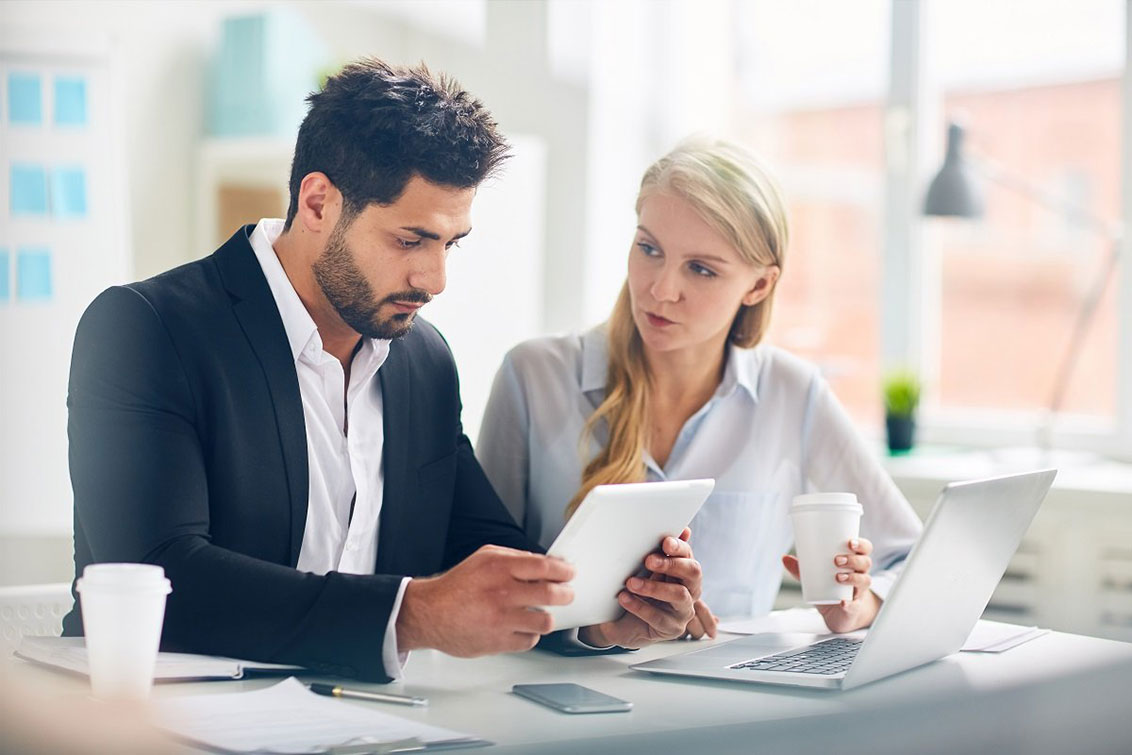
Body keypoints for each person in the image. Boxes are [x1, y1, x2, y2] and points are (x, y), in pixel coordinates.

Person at [62, 59, 703, 682]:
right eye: (410, 240)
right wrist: (410, 616)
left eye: (450, 243)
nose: (435, 280)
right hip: (161, 721)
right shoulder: (147, 329)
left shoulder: (423, 360)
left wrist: (603, 616)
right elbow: (157, 577)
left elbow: (483, 551)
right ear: (317, 203)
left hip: (367, 719)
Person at [478, 137, 923, 639]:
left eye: (702, 269)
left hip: (733, 703)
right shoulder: (533, 377)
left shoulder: (792, 394)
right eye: (649, 249)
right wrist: (603, 632)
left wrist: (860, 606)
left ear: (758, 286)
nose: (661, 289)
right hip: (553, 697)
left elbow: (915, 558)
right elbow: (478, 579)